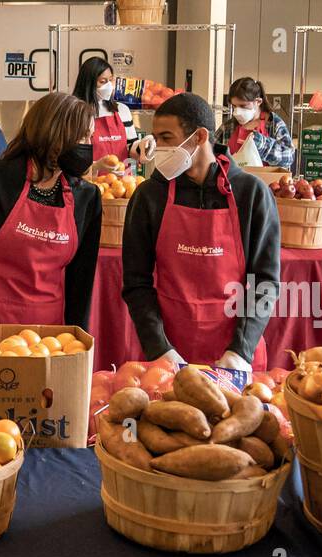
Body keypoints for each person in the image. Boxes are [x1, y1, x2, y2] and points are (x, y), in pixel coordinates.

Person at [122, 93, 280, 372]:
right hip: (168, 352)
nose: (158, 148)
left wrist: (241, 350)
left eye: (167, 138)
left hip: (236, 354)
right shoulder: (149, 196)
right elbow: (136, 283)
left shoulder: (251, 194)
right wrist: (158, 347)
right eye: (156, 139)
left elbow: (265, 282)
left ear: (199, 137)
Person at [0, 92, 101, 328]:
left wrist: (78, 347)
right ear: (52, 134)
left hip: (46, 338)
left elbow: (81, 285)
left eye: (90, 137)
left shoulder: (87, 197)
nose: (87, 146)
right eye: (81, 137)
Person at [71, 56, 154, 165]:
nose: (109, 86)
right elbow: (72, 154)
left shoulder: (122, 110)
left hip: (121, 180)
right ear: (88, 83)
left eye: (110, 80)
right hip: (87, 179)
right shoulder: (75, 113)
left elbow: (130, 148)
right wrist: (96, 167)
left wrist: (142, 145)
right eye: (102, 81)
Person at [214, 77, 294, 168]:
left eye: (243, 106)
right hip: (235, 180)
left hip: (266, 181)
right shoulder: (229, 126)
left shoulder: (274, 124)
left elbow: (288, 157)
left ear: (258, 102)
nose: (237, 111)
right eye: (234, 106)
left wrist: (262, 144)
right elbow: (212, 151)